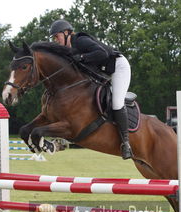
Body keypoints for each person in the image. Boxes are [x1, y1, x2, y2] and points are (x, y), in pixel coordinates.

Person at [49, 19, 133, 159]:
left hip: (119, 67)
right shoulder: (69, 50)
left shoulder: (80, 40)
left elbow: (102, 54)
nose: (56, 40)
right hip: (104, 73)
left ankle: (126, 143)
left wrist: (81, 57)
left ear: (66, 33)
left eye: (56, 36)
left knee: (117, 102)